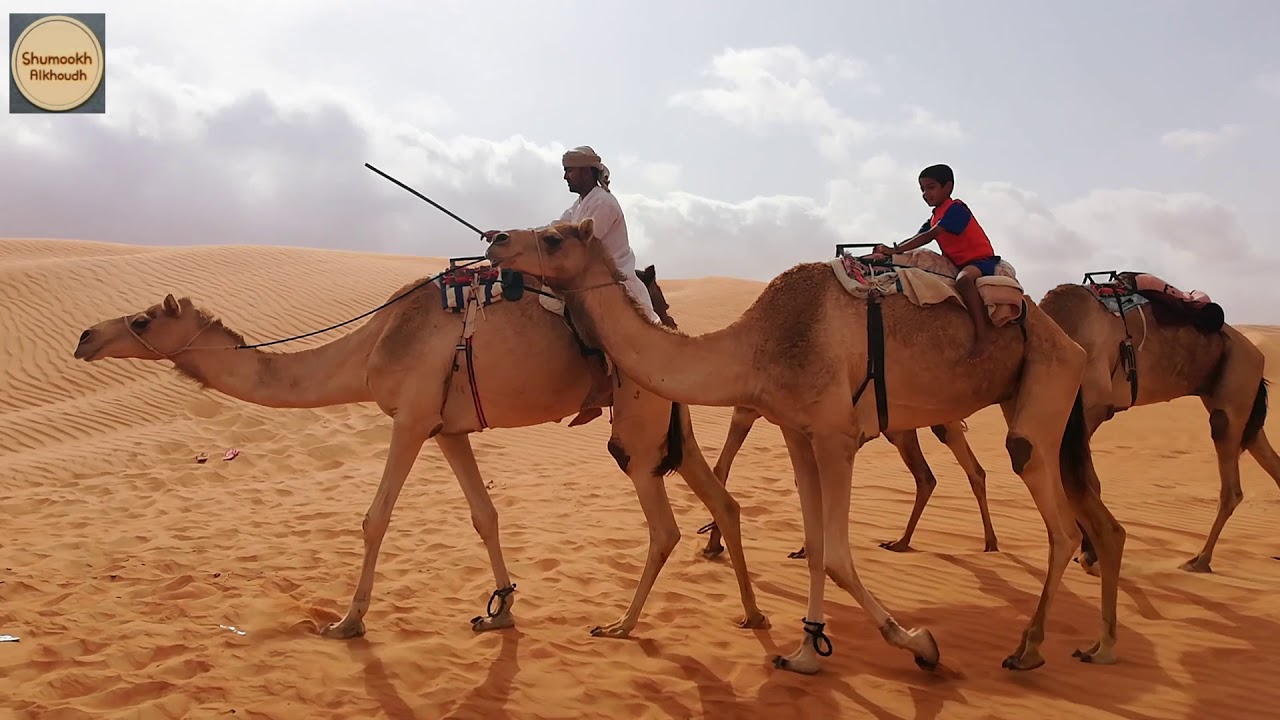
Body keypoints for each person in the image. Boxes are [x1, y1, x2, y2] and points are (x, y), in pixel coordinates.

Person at [483, 145, 659, 422]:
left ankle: (600, 381)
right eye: (565, 171)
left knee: (573, 309)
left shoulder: (603, 204)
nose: (566, 176)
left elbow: (576, 247)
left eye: (570, 170)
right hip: (586, 280)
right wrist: (508, 237)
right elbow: (551, 229)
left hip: (611, 283)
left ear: (588, 170)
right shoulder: (579, 205)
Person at [873, 164, 1000, 361]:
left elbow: (930, 236)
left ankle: (983, 336)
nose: (925, 194)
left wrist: (894, 250)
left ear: (948, 187)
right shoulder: (933, 217)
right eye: (922, 189)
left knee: (964, 281)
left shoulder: (956, 209)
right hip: (956, 263)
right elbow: (917, 237)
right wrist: (890, 252)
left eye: (931, 187)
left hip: (979, 261)